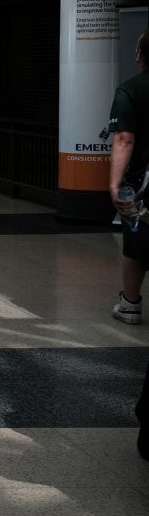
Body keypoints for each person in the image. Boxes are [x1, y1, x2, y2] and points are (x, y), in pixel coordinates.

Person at [109, 32, 149, 326]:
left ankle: (130, 305)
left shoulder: (130, 90)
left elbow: (124, 139)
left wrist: (115, 184)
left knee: (136, 241)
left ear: (139, 55)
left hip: (143, 182)